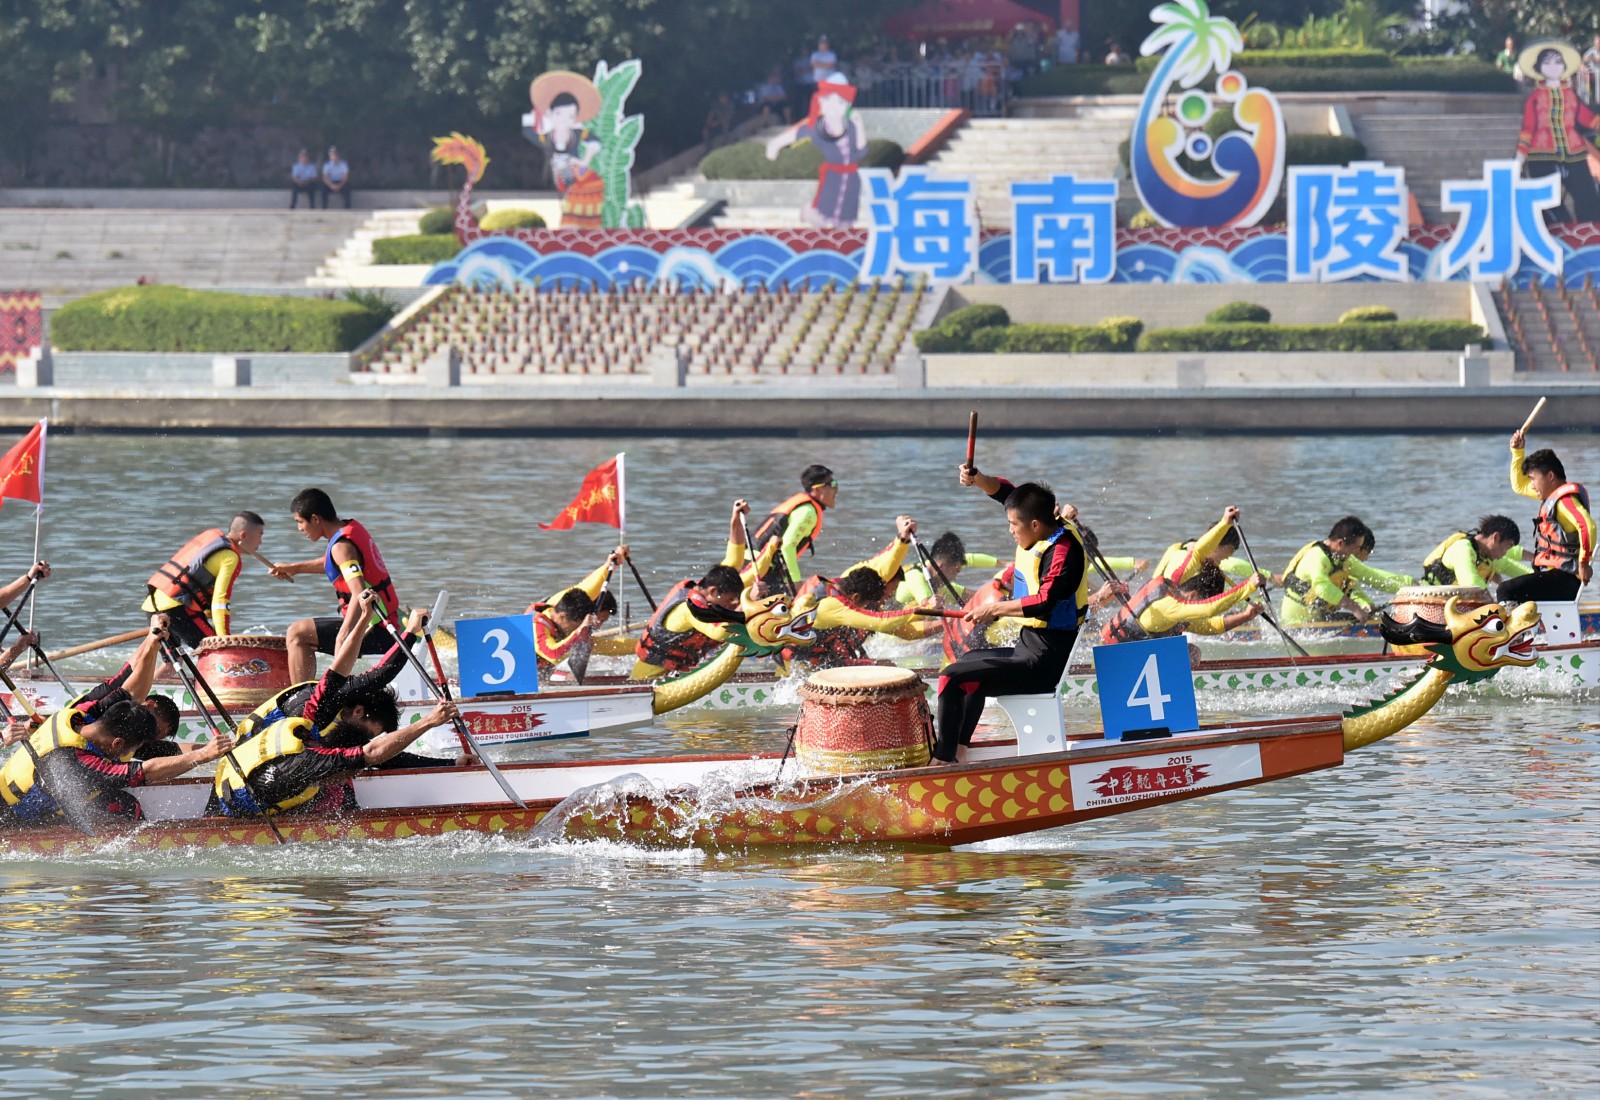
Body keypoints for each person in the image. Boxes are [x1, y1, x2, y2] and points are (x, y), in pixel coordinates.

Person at [211, 593, 460, 818]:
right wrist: (410, 633)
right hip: (246, 797)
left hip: (233, 774)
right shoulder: (312, 717)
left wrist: (365, 618)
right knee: (339, 792)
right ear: (359, 712)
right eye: (371, 734)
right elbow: (373, 746)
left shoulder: (313, 715)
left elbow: (340, 666)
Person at [0, 617, 233, 836]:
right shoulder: (78, 760)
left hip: (27, 794)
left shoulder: (78, 715)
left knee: (116, 799)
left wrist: (153, 641)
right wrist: (203, 755)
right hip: (12, 819)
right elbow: (145, 772)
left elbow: (131, 690)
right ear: (117, 743)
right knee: (124, 806)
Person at [933, 467, 1087, 765]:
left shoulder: (1063, 551)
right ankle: (960, 750)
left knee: (951, 678)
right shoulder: (1045, 523)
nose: (1010, 530)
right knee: (966, 661)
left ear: (1034, 524)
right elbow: (1006, 492)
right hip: (1028, 645)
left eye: (1013, 525)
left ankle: (942, 761)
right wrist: (977, 480)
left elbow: (1045, 602)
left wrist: (994, 608)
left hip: (1044, 663)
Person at [270, 488, 403, 682]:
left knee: (297, 633)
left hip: (378, 632)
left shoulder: (341, 547)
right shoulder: (347, 531)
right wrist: (294, 568)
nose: (300, 529)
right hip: (384, 625)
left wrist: (344, 633)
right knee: (302, 631)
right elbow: (336, 563)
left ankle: (302, 700)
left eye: (300, 522)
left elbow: (361, 594)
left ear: (315, 519)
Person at [630, 502, 772, 680]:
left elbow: (734, 557)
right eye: (728, 601)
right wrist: (748, 603)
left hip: (677, 675)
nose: (730, 605)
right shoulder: (689, 608)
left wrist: (736, 518)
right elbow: (720, 633)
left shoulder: (710, 586)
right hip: (651, 678)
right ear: (713, 591)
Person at [1100, 507, 1263, 644]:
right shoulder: (1172, 603)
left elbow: (1209, 626)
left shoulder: (1177, 586)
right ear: (1193, 595)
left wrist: (1245, 616)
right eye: (1224, 556)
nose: (1221, 562)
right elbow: (1209, 608)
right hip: (1116, 655)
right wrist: (1249, 586)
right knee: (1189, 652)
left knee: (1190, 651)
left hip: (1136, 646)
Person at [792, 516, 932, 668]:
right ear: (856, 597)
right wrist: (926, 608)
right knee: (885, 666)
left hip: (813, 661)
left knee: (880, 664)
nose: (886, 599)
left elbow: (882, 565)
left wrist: (901, 540)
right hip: (803, 667)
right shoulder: (833, 605)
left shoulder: (846, 583)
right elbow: (883, 622)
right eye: (889, 592)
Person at [140, 512, 266, 650]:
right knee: (214, 652)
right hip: (176, 609)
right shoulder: (230, 558)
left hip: (152, 605)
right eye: (260, 534)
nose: (261, 541)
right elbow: (220, 601)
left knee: (171, 664)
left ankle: (129, 673)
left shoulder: (212, 538)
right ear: (243, 535)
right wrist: (224, 639)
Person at [1500, 429, 1594, 603]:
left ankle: (1513, 630)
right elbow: (1519, 486)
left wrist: (1584, 564)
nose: (1532, 485)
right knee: (1519, 592)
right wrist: (1518, 452)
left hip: (1566, 579)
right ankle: (1529, 629)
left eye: (1533, 479)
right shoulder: (1552, 497)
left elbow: (1588, 526)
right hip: (1554, 577)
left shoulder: (1565, 501)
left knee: (1506, 590)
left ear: (1550, 476)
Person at [766, 73, 868, 227]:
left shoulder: (851, 127)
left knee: (845, 222)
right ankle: (809, 215)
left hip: (852, 180)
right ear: (820, 101)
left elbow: (861, 151)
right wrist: (775, 144)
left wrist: (859, 125)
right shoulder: (817, 128)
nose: (833, 107)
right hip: (833, 178)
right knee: (824, 216)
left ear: (847, 106)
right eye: (828, 101)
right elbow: (796, 133)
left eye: (840, 102)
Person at [1514, 40, 1600, 223]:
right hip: (1542, 157)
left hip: (1574, 155)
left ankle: (1589, 235)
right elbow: (1528, 130)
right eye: (1547, 62)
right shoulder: (1535, 99)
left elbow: (1588, 118)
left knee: (1588, 198)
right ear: (1539, 68)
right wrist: (1519, 159)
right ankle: (1561, 233)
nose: (1553, 67)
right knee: (1547, 203)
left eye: (1558, 62)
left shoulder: (1571, 95)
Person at [1279, 517, 1413, 626]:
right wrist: (1355, 608)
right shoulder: (1317, 557)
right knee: (1362, 618)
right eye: (1356, 548)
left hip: (1320, 618)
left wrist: (1410, 591)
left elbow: (1373, 577)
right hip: (1296, 624)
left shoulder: (1343, 557)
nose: (1357, 553)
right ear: (1340, 544)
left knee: (1375, 618)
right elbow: (1322, 587)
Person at [527, 546, 632, 676]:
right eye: (577, 625)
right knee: (566, 674)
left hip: (543, 674)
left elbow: (588, 587)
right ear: (562, 617)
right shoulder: (536, 624)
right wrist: (579, 630)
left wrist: (611, 565)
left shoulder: (564, 609)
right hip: (523, 679)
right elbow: (552, 654)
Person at [752, 464, 838, 592]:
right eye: (832, 484)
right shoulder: (808, 512)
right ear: (818, 489)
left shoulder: (804, 505)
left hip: (756, 563)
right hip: (761, 568)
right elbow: (787, 546)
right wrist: (795, 583)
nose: (836, 489)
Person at [1420, 516, 1531, 589]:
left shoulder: (1487, 556)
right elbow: (1472, 584)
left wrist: (1542, 579)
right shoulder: (1463, 550)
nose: (1505, 553)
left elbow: (1520, 571)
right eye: (1507, 548)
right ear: (1495, 537)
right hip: (1429, 602)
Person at [895, 531, 1000, 606]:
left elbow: (970, 559)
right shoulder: (915, 577)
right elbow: (927, 605)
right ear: (942, 566)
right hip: (893, 632)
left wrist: (1003, 564)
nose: (954, 577)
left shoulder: (933, 567)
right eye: (956, 572)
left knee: (974, 596)